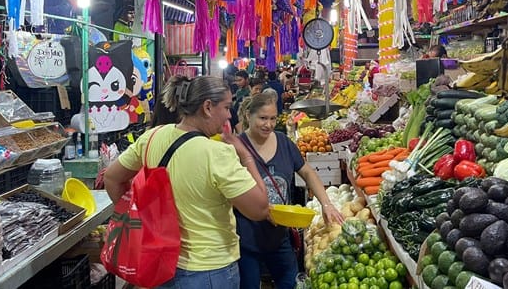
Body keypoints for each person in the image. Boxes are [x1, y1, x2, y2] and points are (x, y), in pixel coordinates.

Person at [103, 76, 269, 289]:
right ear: (207, 107)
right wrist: (245, 156)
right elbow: (260, 209)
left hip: (160, 264)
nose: (229, 115)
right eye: (227, 107)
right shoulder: (216, 153)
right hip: (208, 271)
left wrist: (141, 220)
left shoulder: (152, 137)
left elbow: (112, 178)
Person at [235, 93, 344, 289]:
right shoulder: (236, 147)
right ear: (248, 115)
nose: (268, 124)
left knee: (290, 283)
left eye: (273, 118)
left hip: (279, 237)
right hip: (246, 239)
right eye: (262, 118)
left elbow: (308, 173)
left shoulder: (284, 143)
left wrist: (326, 203)